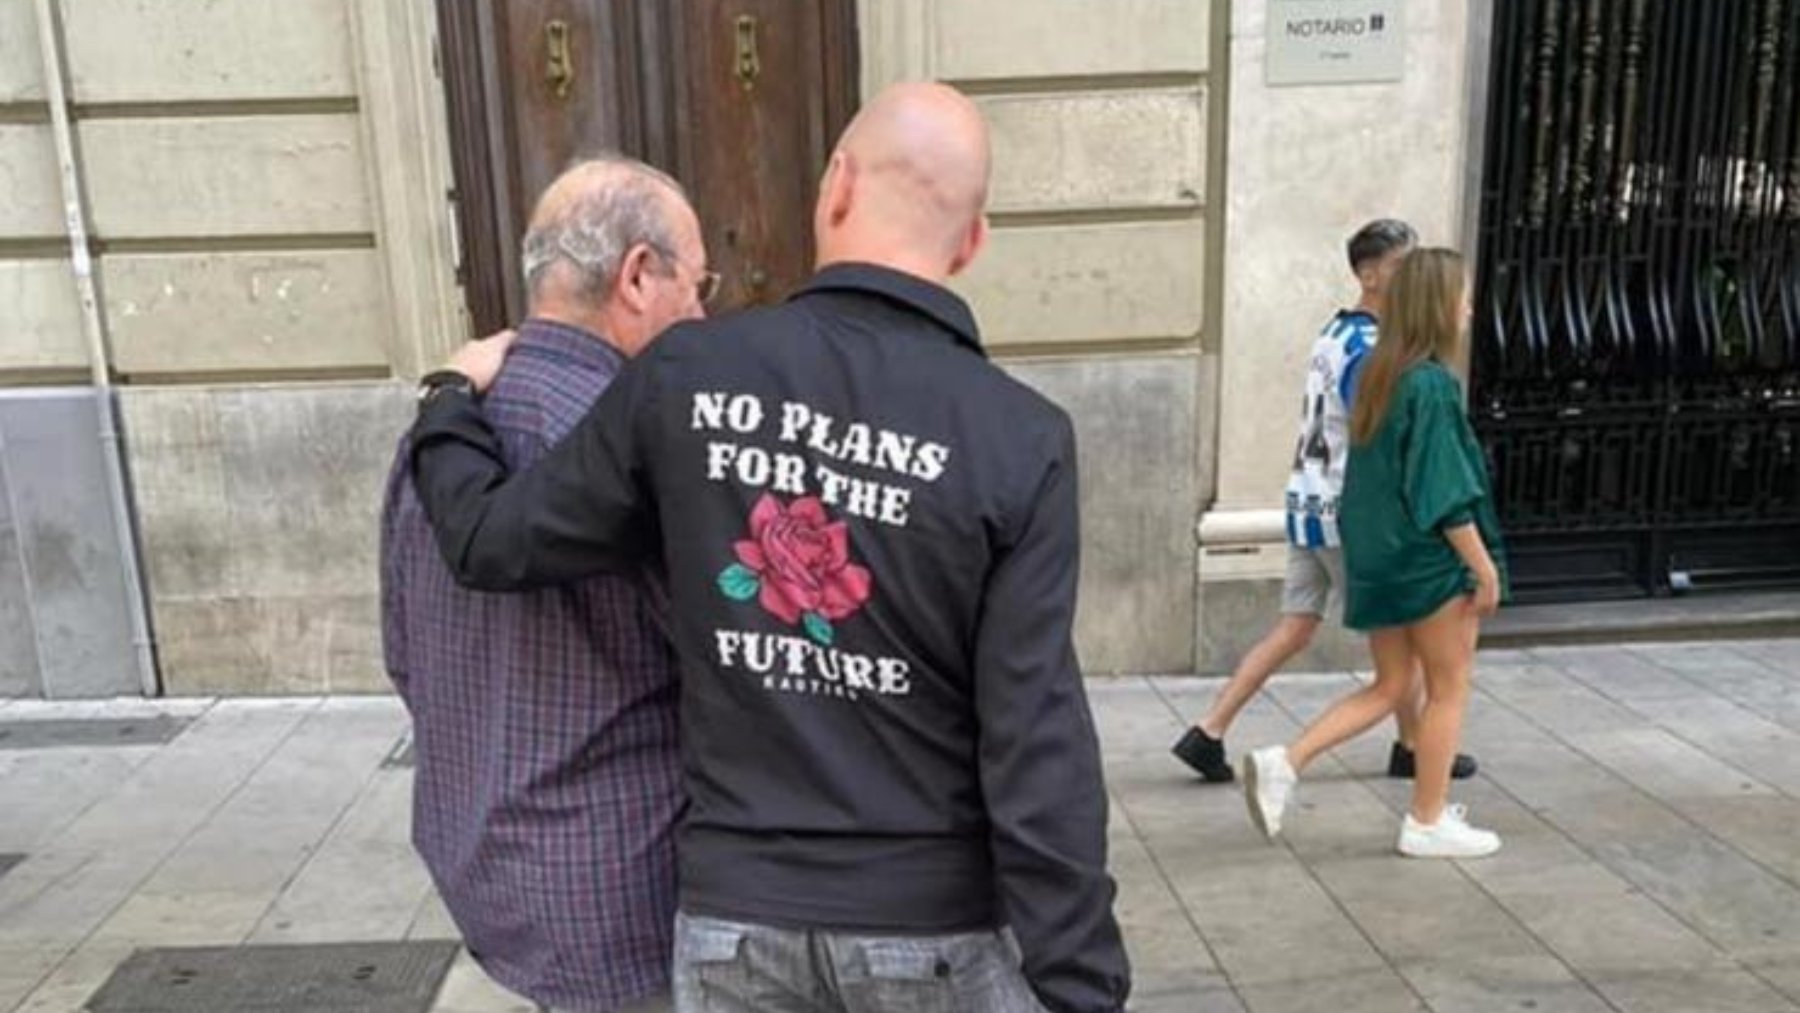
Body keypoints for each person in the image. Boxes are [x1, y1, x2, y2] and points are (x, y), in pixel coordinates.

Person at [405, 82, 1129, 1013]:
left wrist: (447, 407)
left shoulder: (686, 374)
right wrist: (1081, 982)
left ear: (834, 187)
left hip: (738, 926)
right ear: (972, 240)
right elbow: (1038, 740)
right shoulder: (1021, 438)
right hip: (929, 923)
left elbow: (491, 540)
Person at [380, 155, 713, 1013]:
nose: (705, 315)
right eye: (699, 286)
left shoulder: (440, 427)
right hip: (623, 888)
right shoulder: (635, 443)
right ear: (639, 275)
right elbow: (729, 674)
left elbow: (406, 653)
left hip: (482, 861)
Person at [1172, 220, 1476, 785]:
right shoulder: (1371, 348)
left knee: (1295, 627)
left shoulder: (1333, 333)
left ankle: (1208, 730)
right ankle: (1403, 748)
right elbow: (1381, 435)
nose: (1414, 276)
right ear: (1369, 274)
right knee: (1402, 652)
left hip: (1305, 506)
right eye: (1402, 265)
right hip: (1345, 515)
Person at [1242, 247, 1508, 859]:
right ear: (1438, 305)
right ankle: (1426, 818)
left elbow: (1367, 481)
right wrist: (1482, 564)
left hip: (1381, 559)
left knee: (1392, 686)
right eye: (1463, 296)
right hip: (1429, 564)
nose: (1469, 307)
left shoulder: (1381, 376)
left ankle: (1286, 761)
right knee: (1447, 688)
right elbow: (1444, 492)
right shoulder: (1432, 385)